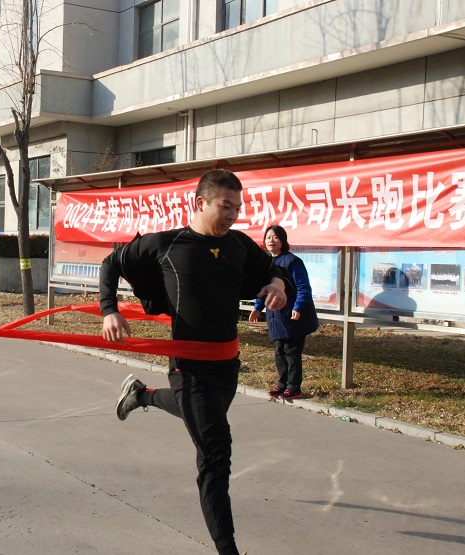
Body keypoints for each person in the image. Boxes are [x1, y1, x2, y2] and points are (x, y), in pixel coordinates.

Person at [100, 169, 288, 555]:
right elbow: (111, 263)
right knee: (216, 452)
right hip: (188, 366)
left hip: (227, 366)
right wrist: (109, 310)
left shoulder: (238, 245)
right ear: (199, 203)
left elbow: (274, 268)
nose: (233, 215)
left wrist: (277, 285)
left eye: (237, 208)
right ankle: (227, 548)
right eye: (225, 206)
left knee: (197, 415)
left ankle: (141, 395)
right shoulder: (166, 244)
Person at [248, 224, 319, 400]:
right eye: (268, 237)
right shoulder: (266, 263)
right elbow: (264, 289)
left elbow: (303, 287)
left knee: (292, 351)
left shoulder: (292, 261)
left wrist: (298, 307)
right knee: (279, 350)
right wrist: (257, 307)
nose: (271, 241)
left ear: (282, 241)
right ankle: (282, 384)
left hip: (293, 314)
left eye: (275, 237)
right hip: (276, 315)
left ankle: (294, 387)